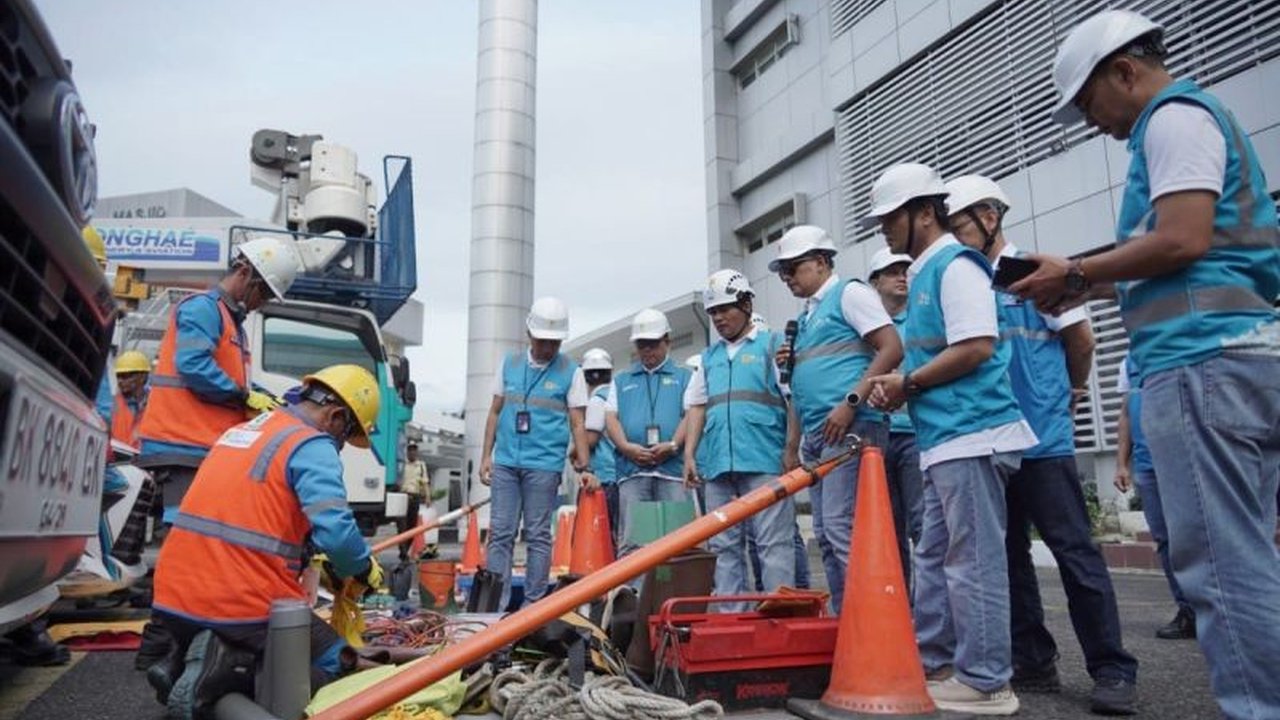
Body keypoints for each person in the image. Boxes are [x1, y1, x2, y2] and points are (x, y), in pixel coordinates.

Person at [1012, 10, 1280, 717]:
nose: (1093, 123)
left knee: (1219, 565)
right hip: (1238, 357)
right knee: (1248, 553)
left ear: (1125, 71)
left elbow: (1183, 240)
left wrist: (1076, 271)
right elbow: (1183, 257)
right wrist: (1080, 283)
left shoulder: (1171, 120)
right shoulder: (1193, 121)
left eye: (1089, 104)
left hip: (1201, 364)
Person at [947, 174, 1138, 714]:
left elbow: (1083, 340)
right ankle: (1033, 661)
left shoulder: (1035, 273)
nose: (953, 236)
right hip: (991, 441)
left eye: (959, 225)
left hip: (1044, 441)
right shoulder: (963, 280)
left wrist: (1070, 395)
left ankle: (1112, 668)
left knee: (1075, 552)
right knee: (1009, 558)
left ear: (990, 218)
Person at [865, 162, 1036, 715]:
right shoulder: (926, 272)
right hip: (946, 438)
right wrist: (905, 386)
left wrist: (908, 383)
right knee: (937, 556)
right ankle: (937, 664)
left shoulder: (955, 267)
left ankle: (987, 683)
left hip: (973, 433)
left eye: (890, 218)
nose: (884, 230)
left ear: (923, 213)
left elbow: (977, 346)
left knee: (972, 561)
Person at [147, 364, 384, 719]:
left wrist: (317, 560)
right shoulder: (311, 444)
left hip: (173, 596)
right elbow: (337, 533)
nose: (340, 447)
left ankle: (181, 664)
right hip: (239, 603)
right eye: (345, 437)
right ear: (335, 417)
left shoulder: (243, 431)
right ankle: (220, 678)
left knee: (316, 643)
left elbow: (254, 518)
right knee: (338, 663)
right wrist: (362, 568)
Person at [770, 224, 903, 611]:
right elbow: (800, 386)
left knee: (842, 529)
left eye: (793, 268)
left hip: (851, 428)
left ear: (821, 261)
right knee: (827, 535)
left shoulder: (850, 294)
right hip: (820, 433)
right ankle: (848, 622)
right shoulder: (806, 318)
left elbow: (891, 347)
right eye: (783, 272)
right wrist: (793, 444)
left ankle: (872, 621)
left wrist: (851, 402)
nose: (787, 278)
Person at [136, 236, 302, 522]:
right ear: (244, 272)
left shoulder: (231, 323)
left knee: (199, 528)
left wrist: (262, 398)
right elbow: (193, 366)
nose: (262, 302)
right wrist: (244, 396)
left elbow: (230, 378)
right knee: (186, 530)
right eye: (263, 292)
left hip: (199, 445)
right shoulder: (204, 308)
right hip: (182, 443)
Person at [683, 271, 800, 610]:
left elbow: (793, 399)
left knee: (773, 544)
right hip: (719, 464)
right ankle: (733, 618)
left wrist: (791, 449)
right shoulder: (709, 358)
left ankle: (780, 616)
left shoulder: (772, 346)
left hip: (765, 460)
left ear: (747, 304)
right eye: (713, 312)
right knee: (723, 547)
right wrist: (690, 454)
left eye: (725, 309)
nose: (719, 318)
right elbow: (697, 406)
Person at [479, 297, 591, 610]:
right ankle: (495, 607)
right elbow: (494, 411)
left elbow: (578, 422)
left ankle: (533, 607)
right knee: (500, 534)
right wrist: (486, 456)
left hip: (544, 465)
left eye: (554, 342)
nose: (548, 348)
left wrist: (585, 464)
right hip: (506, 463)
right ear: (529, 334)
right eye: (542, 341)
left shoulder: (572, 372)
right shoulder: (509, 364)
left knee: (538, 536)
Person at [1113, 352, 1194, 640]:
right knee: (1164, 539)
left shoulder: (1172, 349)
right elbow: (1126, 414)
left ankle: (1216, 609)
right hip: (1147, 464)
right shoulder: (1128, 363)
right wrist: (1122, 464)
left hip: (1182, 458)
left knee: (1195, 536)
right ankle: (1188, 611)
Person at [604, 308, 692, 557]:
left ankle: (673, 583)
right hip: (633, 471)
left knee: (679, 539)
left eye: (653, 344)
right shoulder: (621, 380)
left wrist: (673, 445)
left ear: (667, 341)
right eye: (642, 345)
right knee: (634, 540)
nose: (647, 351)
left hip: (672, 472)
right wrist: (625, 447)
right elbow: (610, 417)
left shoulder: (685, 377)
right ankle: (635, 584)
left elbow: (691, 415)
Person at [866, 247, 923, 592]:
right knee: (889, 529)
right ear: (875, 282)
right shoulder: (864, 326)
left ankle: (931, 610)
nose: (902, 277)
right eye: (892, 272)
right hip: (877, 435)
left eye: (905, 271)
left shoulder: (921, 319)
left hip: (915, 432)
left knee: (922, 523)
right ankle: (901, 607)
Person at [581, 347, 620, 553]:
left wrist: (574, 452)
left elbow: (590, 439)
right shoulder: (616, 395)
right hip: (619, 474)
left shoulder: (597, 400)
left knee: (604, 535)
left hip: (604, 477)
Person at [396, 442, 430, 561]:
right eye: (410, 450)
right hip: (402, 496)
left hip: (415, 497)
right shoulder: (402, 464)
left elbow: (425, 482)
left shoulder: (421, 466)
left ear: (417, 452)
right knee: (402, 526)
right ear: (407, 452)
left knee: (412, 527)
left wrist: (427, 497)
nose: (412, 452)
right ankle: (403, 552)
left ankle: (405, 549)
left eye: (414, 450)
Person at [110, 351, 151, 449]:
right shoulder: (112, 404)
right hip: (115, 456)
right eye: (118, 376)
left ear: (142, 377)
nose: (120, 381)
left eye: (125, 376)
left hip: (143, 457)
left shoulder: (155, 404)